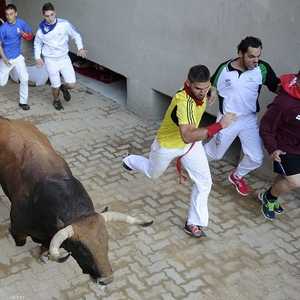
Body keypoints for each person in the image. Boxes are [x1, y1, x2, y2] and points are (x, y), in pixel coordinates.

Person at [122, 65, 236, 237]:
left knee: (204, 183)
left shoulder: (204, 91)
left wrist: (211, 90)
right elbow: (187, 136)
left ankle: (193, 223)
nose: (202, 92)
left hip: (191, 147)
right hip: (168, 145)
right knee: (152, 173)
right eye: (198, 88)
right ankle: (129, 160)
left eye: (205, 88)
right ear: (188, 84)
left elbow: (208, 90)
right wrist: (220, 125)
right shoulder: (184, 103)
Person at [204, 36, 280, 196]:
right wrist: (212, 92)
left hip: (249, 120)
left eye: (258, 56)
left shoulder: (263, 69)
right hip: (227, 120)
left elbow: (276, 86)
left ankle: (236, 176)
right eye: (251, 56)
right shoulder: (224, 69)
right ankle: (192, 161)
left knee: (256, 158)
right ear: (240, 53)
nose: (256, 60)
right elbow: (211, 85)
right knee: (214, 154)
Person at [259, 70, 300, 220]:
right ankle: (269, 198)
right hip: (284, 149)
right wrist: (272, 149)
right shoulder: (285, 102)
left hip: (298, 148)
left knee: (285, 176)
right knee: (295, 182)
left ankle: (270, 197)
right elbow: (266, 126)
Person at [34, 2, 87, 110]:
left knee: (72, 84)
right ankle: (56, 100)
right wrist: (37, 57)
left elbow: (76, 35)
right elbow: (37, 44)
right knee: (55, 84)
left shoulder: (64, 24)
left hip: (64, 58)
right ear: (43, 16)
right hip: (50, 60)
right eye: (47, 16)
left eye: (52, 15)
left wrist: (80, 48)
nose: (50, 18)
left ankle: (64, 88)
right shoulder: (41, 30)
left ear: (55, 13)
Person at [0, 4, 33, 110]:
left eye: (11, 14)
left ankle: (23, 102)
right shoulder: (3, 28)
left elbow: (30, 34)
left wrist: (25, 35)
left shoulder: (21, 23)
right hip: (7, 58)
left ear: (16, 14)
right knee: (2, 82)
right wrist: (4, 59)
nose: (9, 16)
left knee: (24, 78)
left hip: (18, 57)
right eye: (7, 14)